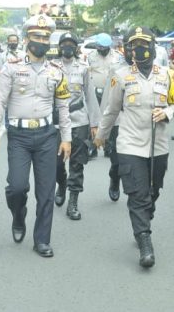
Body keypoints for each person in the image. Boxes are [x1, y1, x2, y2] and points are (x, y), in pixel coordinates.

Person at [0, 14, 72, 258]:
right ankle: (18, 215)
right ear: (26, 39)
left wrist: (66, 138)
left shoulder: (57, 71)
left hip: (46, 135)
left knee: (45, 191)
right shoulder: (11, 67)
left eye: (46, 37)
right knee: (17, 187)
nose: (41, 41)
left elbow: (63, 107)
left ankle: (42, 240)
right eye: (37, 36)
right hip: (19, 136)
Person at [95, 27, 174, 268]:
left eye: (145, 45)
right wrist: (101, 135)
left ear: (153, 47)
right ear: (130, 50)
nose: (140, 49)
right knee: (138, 194)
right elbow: (111, 110)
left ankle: (145, 219)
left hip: (158, 146)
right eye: (135, 46)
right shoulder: (120, 76)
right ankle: (144, 241)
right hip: (130, 144)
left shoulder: (167, 75)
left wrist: (166, 112)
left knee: (153, 192)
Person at [53, 32, 99, 219]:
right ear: (59, 47)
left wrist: (95, 123)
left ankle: (73, 202)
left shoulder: (83, 69)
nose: (67, 47)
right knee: (55, 163)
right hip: (56, 123)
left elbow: (90, 95)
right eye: (64, 44)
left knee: (77, 164)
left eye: (71, 44)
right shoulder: (51, 67)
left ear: (76, 47)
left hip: (79, 120)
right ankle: (61, 183)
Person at [87, 32, 126, 198]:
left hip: (113, 96)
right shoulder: (90, 56)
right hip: (96, 92)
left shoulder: (118, 57)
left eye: (104, 47)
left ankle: (114, 176)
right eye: (99, 47)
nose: (101, 49)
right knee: (96, 119)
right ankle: (94, 146)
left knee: (117, 152)